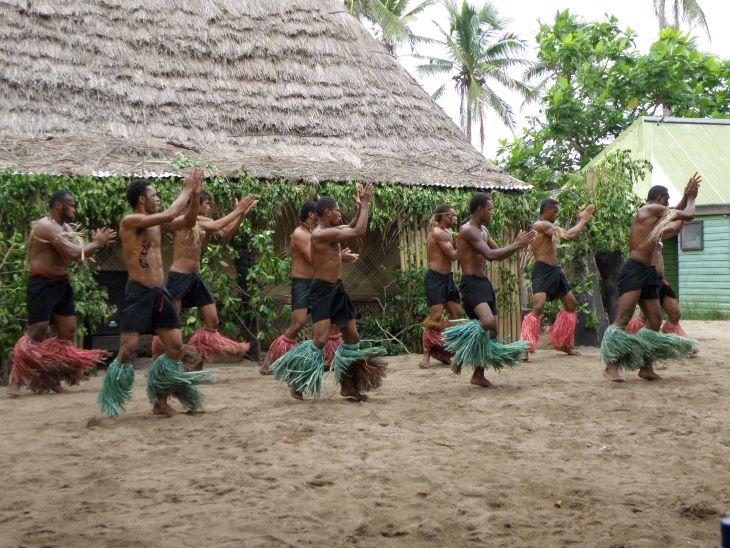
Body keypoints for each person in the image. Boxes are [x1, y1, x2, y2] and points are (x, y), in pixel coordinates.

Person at [97, 169, 215, 417]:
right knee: (127, 349)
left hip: (161, 294)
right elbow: (172, 213)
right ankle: (111, 399)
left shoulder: (157, 223)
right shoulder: (131, 221)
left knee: (174, 348)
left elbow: (187, 221)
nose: (158, 198)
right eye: (154, 195)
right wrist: (187, 188)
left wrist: (194, 197)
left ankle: (160, 401)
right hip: (138, 293)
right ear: (142, 199)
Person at [271, 184, 386, 401]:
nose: (340, 212)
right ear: (326, 213)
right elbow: (358, 231)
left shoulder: (330, 231)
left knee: (352, 337)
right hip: (322, 291)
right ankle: (297, 378)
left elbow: (350, 226)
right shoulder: (321, 234)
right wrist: (367, 204)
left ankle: (348, 385)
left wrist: (361, 206)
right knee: (321, 340)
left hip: (338, 290)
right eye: (337, 210)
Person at [8, 191, 116, 396]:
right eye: (71, 205)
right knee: (36, 331)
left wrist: (92, 245)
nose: (74, 209)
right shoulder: (46, 226)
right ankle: (16, 378)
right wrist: (97, 243)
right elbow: (74, 254)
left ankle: (51, 378)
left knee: (67, 330)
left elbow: (79, 255)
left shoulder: (65, 228)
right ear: (58, 205)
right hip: (42, 283)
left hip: (61, 283)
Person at [601, 175, 701, 383]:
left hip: (648, 273)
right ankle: (611, 365)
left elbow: (674, 217)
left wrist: (684, 196)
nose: (668, 204)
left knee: (655, 321)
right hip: (634, 270)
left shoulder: (654, 217)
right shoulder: (648, 209)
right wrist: (692, 198)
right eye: (667, 199)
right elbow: (686, 215)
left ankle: (646, 366)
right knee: (624, 318)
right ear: (659, 198)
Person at [152, 191, 258, 364]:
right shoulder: (185, 220)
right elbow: (217, 226)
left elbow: (226, 232)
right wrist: (237, 210)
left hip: (195, 277)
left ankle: (196, 354)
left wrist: (241, 216)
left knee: (213, 321)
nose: (209, 207)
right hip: (179, 276)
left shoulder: (204, 221)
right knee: (174, 322)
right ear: (197, 204)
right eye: (207, 203)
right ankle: (167, 360)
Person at [443, 193, 535, 387]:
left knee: (492, 331)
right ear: (479, 209)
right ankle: (461, 349)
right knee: (487, 321)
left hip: (483, 283)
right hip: (471, 284)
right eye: (490, 209)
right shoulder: (467, 230)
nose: (492, 212)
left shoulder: (483, 230)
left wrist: (517, 245)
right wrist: (517, 244)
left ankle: (478, 374)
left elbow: (499, 253)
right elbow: (491, 255)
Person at [259, 201, 359, 374]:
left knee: (333, 328)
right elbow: (313, 258)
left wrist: (361, 206)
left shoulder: (320, 231)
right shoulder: (300, 234)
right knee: (298, 323)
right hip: (303, 283)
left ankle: (329, 360)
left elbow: (350, 227)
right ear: (313, 215)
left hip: (320, 283)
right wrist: (340, 257)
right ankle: (272, 362)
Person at [519, 199, 595, 359]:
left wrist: (579, 220)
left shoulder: (548, 225)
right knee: (538, 307)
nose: (557, 213)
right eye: (554, 210)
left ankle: (563, 343)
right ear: (546, 210)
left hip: (555, 270)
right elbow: (569, 235)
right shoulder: (541, 225)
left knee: (571, 304)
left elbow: (565, 233)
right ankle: (525, 346)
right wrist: (583, 220)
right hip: (541, 270)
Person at [421, 204, 461, 369]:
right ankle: (426, 354)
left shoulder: (447, 233)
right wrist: (467, 244)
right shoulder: (437, 232)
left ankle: (443, 350)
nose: (455, 218)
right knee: (436, 315)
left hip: (447, 278)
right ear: (444, 216)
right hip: (435, 278)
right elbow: (452, 256)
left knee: (456, 313)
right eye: (452, 215)